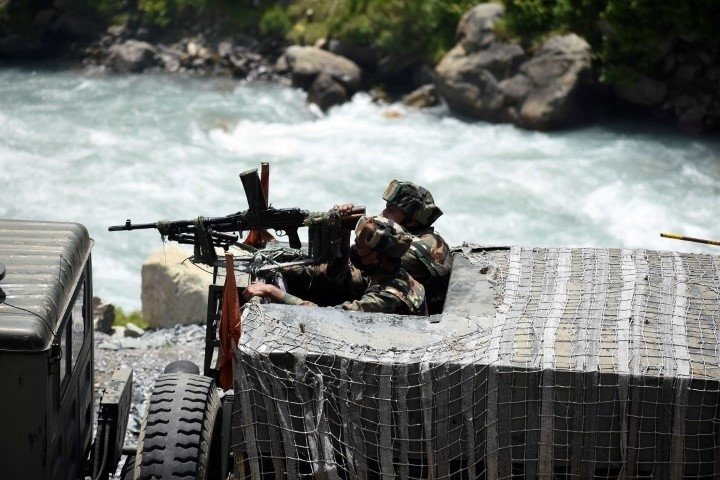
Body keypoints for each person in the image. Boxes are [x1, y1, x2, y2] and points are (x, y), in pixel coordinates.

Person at [243, 215, 428, 315]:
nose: (356, 250)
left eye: (361, 248)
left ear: (378, 258)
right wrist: (343, 229)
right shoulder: (392, 274)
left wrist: (272, 292)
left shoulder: (387, 299)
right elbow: (341, 276)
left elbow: (326, 318)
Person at [337, 180, 451, 314]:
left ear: (411, 220)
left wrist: (345, 232)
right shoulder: (426, 238)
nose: (382, 214)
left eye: (390, 210)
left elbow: (349, 271)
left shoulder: (413, 251)